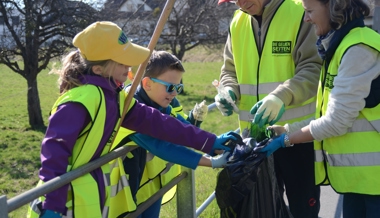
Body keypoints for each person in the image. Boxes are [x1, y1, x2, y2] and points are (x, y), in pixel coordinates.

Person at [26, 21, 237, 218]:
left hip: (87, 199)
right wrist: (52, 204)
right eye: (123, 64)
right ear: (99, 69)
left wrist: (209, 142)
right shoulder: (79, 101)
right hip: (59, 206)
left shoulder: (116, 98)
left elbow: (159, 123)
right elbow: (54, 152)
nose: (129, 70)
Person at [255, 0, 380, 217]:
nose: (306, 18)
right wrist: (284, 130)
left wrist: (286, 140)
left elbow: (336, 122)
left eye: (310, 11)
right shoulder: (341, 46)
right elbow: (328, 116)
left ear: (334, 7)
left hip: (374, 185)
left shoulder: (357, 49)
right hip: (360, 183)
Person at [215, 0, 323, 217]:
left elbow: (314, 68)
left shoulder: (299, 11)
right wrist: (228, 91)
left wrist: (281, 96)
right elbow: (229, 70)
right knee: (260, 211)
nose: (240, 2)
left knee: (304, 210)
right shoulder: (237, 22)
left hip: (296, 136)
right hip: (253, 142)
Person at [115, 50, 221, 217]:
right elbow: (162, 146)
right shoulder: (132, 106)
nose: (175, 93)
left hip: (148, 184)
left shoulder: (159, 102)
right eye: (171, 87)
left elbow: (179, 125)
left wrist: (214, 144)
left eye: (178, 87)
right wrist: (211, 161)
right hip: (120, 190)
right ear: (147, 84)